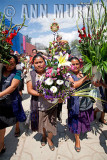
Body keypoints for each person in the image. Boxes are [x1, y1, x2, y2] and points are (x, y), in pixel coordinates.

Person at [26, 54, 61, 151]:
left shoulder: (51, 72)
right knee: (42, 124)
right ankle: (43, 136)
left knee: (51, 124)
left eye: (41, 62)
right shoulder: (31, 74)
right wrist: (42, 94)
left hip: (52, 105)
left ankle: (49, 139)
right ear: (33, 64)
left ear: (45, 62)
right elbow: (29, 90)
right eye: (36, 63)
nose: (38, 64)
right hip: (38, 105)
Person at [0, 54, 26, 154]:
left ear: (15, 64)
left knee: (16, 115)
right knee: (1, 124)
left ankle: (17, 127)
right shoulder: (1, 70)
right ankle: (2, 145)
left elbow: (13, 87)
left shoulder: (17, 72)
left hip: (12, 100)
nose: (9, 66)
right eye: (7, 63)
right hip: (1, 103)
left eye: (12, 64)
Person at [67, 57, 94, 152]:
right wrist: (86, 77)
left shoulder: (84, 71)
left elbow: (94, 83)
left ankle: (81, 132)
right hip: (75, 103)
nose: (75, 66)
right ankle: (77, 139)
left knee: (83, 119)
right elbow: (73, 85)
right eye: (72, 64)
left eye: (77, 64)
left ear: (80, 64)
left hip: (86, 101)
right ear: (69, 65)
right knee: (76, 122)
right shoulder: (68, 74)